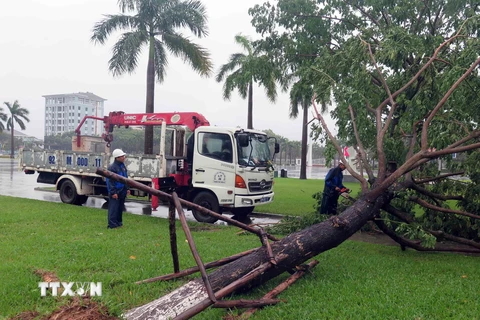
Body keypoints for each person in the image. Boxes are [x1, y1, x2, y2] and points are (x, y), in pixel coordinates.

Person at [106, 149, 130, 229]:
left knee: (120, 208)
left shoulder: (122, 166)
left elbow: (125, 178)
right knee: (114, 208)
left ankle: (119, 223)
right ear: (117, 157)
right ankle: (112, 225)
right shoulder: (112, 168)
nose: (124, 157)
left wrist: (127, 188)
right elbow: (110, 181)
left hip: (122, 190)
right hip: (116, 190)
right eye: (122, 156)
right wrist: (113, 192)